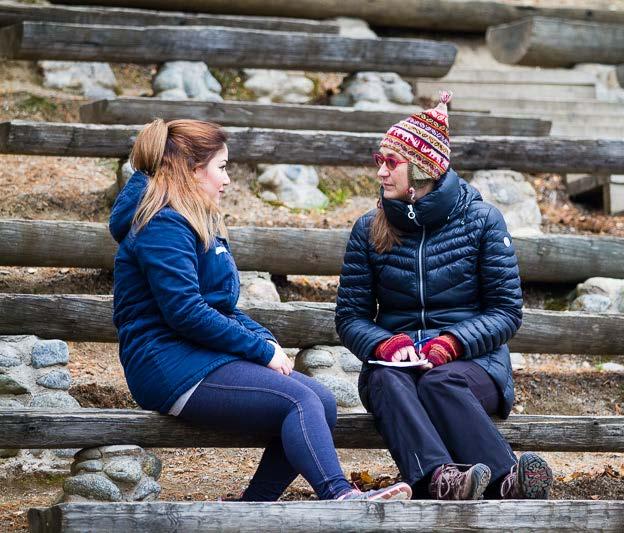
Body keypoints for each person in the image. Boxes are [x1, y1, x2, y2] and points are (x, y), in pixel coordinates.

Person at [109, 118, 412, 502]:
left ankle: (253, 507)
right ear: (191, 170)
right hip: (167, 365)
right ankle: (340, 496)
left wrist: (263, 339)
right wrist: (261, 351)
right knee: (298, 401)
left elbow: (220, 306)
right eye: (221, 167)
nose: (227, 180)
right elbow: (185, 311)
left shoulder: (188, 220)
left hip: (196, 356)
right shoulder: (163, 225)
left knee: (323, 401)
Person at [335, 93, 553, 501]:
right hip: (395, 366)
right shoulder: (369, 228)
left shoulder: (482, 220)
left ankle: (508, 480)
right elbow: (350, 317)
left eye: (390, 162)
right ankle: (442, 479)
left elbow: (506, 312)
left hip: (472, 365)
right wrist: (384, 343)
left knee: (438, 380)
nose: (380, 172)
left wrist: (453, 342)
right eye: (377, 160)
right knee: (383, 377)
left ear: (421, 170)